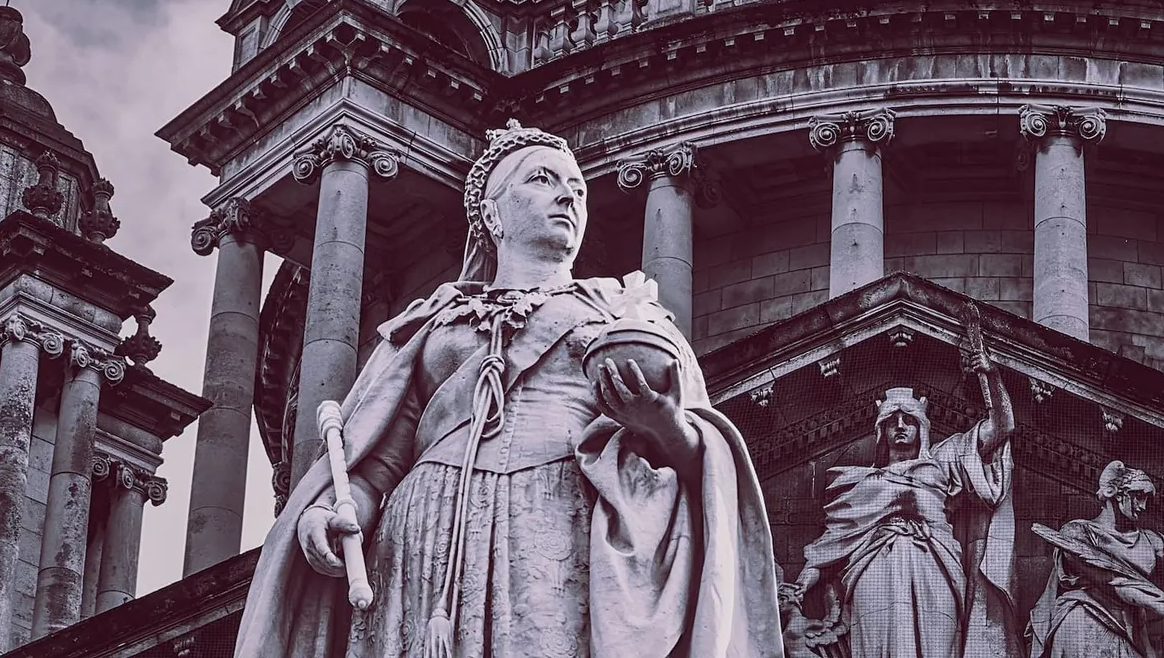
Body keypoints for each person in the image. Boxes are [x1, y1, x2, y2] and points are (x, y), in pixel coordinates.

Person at [233, 120, 783, 658]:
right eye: (542, 180)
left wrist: (660, 423)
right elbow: (380, 461)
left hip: (557, 513)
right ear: (491, 214)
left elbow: (700, 465)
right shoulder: (431, 322)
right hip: (426, 530)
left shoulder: (624, 314)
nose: (567, 196)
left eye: (577, 189)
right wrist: (328, 511)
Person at [779, 356, 1019, 658]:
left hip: (934, 567)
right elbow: (830, 546)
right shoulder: (859, 483)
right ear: (882, 432)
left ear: (922, 427)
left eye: (909, 420)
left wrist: (992, 375)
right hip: (874, 569)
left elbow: (1002, 426)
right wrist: (801, 585)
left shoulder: (942, 463)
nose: (901, 426)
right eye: (892, 422)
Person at [1028, 461, 1164, 658]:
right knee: (1077, 622)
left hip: (1138, 633)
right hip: (1088, 618)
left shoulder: (1153, 542)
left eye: (1146, 499)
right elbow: (1106, 576)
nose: (1143, 506)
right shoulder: (1079, 532)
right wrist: (1154, 602)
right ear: (1116, 493)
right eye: (1138, 496)